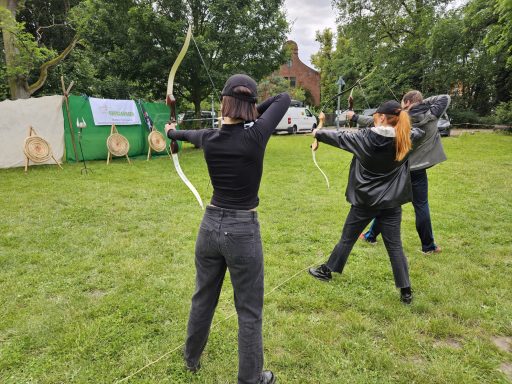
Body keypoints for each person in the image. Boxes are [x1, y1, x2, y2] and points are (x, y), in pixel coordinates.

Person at [165, 74, 290, 384]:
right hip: (242, 230)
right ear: (248, 107)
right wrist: (249, 110)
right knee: (249, 310)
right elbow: (283, 98)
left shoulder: (209, 137)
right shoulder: (257, 134)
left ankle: (191, 358)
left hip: (209, 226)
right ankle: (251, 379)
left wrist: (171, 131)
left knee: (202, 297)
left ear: (223, 103)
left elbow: (181, 133)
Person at [308, 100, 424, 304]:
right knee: (394, 246)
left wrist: (319, 127)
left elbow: (331, 136)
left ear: (380, 118)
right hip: (391, 203)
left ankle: (326, 271)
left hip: (364, 202)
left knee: (347, 238)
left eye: (375, 116)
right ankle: (406, 291)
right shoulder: (407, 139)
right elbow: (418, 132)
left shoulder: (363, 137)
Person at [351, 91, 450, 254]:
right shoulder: (431, 113)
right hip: (418, 169)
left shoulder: (403, 118)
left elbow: (375, 122)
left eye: (403, 103)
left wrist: (354, 117)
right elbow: (445, 97)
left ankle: (370, 236)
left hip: (402, 168)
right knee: (421, 206)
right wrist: (419, 104)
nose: (401, 106)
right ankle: (428, 246)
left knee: (388, 203)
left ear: (408, 102)